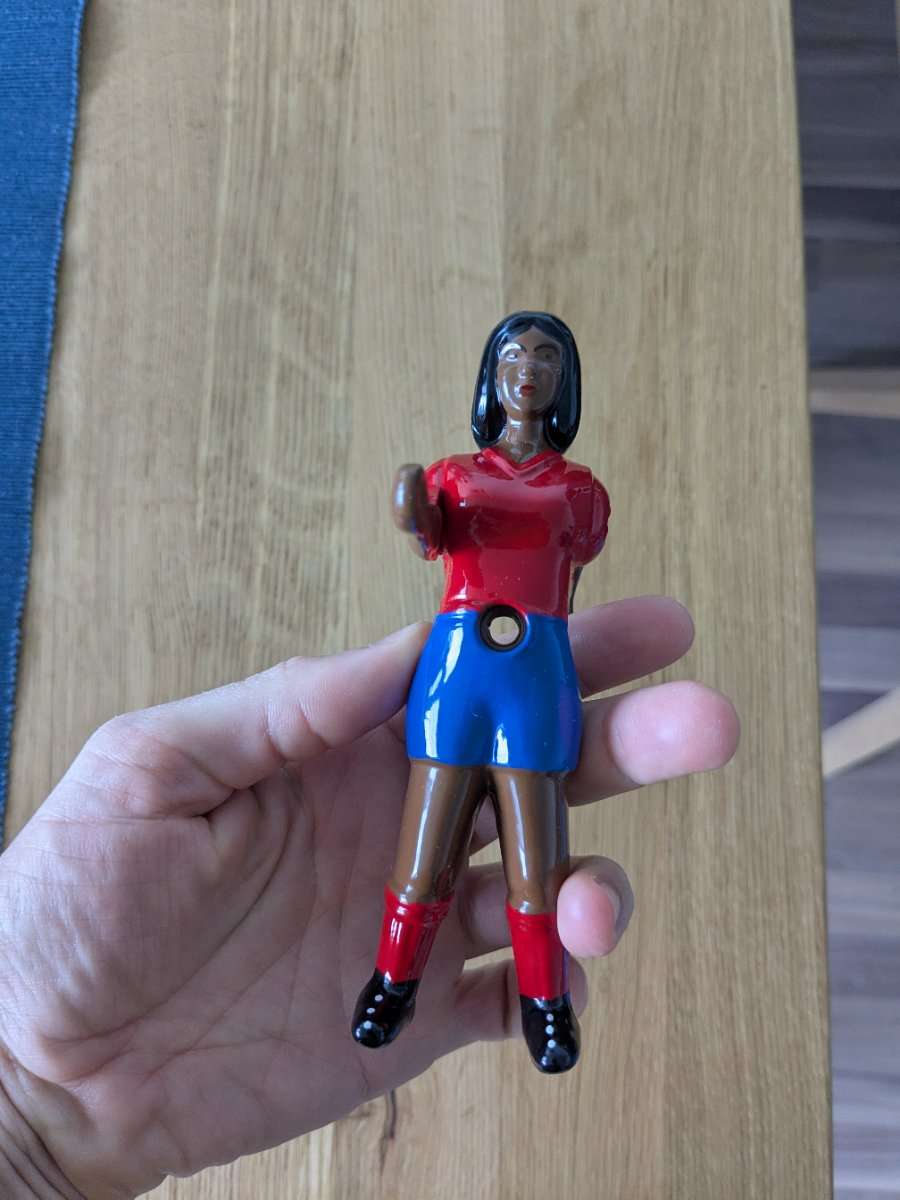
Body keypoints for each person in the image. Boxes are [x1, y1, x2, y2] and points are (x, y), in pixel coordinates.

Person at [0, 601, 738, 1198]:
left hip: (531, 682)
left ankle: (542, 1001)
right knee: (424, 868)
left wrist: (34, 1137)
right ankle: (394, 982)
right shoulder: (462, 485)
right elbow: (430, 525)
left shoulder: (568, 494)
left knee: (538, 876)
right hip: (460, 679)